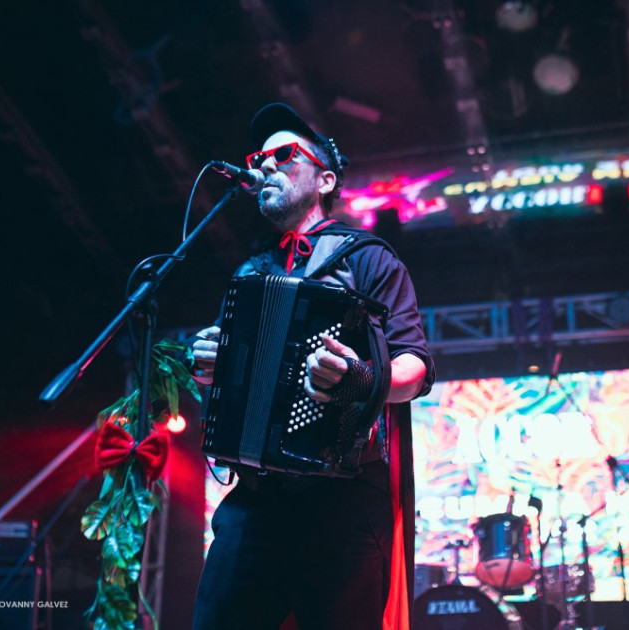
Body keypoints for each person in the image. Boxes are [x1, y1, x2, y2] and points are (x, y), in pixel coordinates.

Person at [190, 102, 434, 630]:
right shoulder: (252, 271)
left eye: (283, 155)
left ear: (324, 179)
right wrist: (208, 365)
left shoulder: (369, 258)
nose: (266, 166)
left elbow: (414, 367)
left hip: (343, 502)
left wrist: (360, 381)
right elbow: (228, 384)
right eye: (259, 157)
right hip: (255, 503)